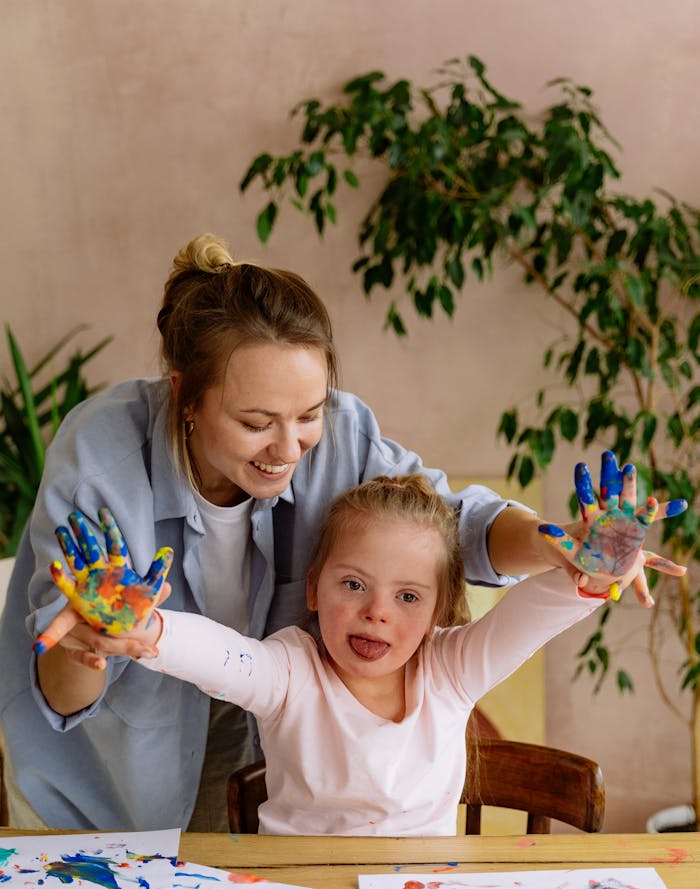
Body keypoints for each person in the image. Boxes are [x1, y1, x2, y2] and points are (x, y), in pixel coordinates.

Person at [0, 232, 683, 833]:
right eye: (256, 421)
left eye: (308, 413)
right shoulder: (100, 460)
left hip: (248, 742)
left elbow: (454, 527)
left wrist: (564, 547)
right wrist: (98, 638)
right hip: (105, 782)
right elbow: (61, 694)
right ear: (185, 396)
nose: (289, 447)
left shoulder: (345, 436)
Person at [34, 466, 684, 836]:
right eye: (354, 585)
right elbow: (223, 657)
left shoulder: (450, 669)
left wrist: (591, 575)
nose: (377, 610)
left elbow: (530, 617)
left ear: (439, 610)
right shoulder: (290, 670)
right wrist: (149, 630)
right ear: (313, 588)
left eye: (408, 597)